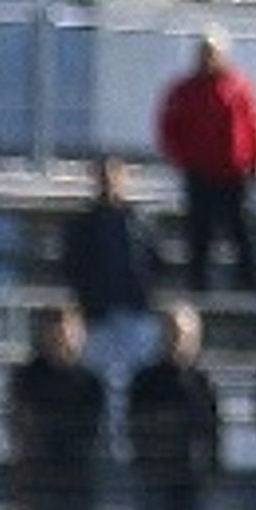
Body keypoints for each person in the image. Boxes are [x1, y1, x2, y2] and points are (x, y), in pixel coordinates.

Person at [157, 29, 256, 293]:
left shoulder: (239, 87)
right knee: (200, 231)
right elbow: (169, 128)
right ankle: (199, 285)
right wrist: (182, 158)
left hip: (234, 171)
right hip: (200, 172)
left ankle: (249, 283)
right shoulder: (185, 90)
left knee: (241, 231)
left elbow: (255, 124)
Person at [60, 156, 159, 453]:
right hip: (97, 315)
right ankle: (98, 448)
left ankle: (135, 446)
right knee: (98, 383)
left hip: (135, 312)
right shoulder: (82, 224)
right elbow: (72, 266)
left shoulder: (140, 220)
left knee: (137, 382)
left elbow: (155, 262)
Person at [10, 302, 105, 510]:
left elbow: (92, 429)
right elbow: (23, 422)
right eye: (56, 333)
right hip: (40, 475)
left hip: (78, 476)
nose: (62, 340)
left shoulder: (91, 381)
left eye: (68, 333)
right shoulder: (28, 377)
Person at [127, 302, 220, 510]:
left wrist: (211, 465)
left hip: (189, 477)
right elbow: (136, 425)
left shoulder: (203, 382)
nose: (180, 342)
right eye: (174, 333)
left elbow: (212, 429)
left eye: (186, 335)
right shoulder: (145, 381)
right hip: (154, 474)